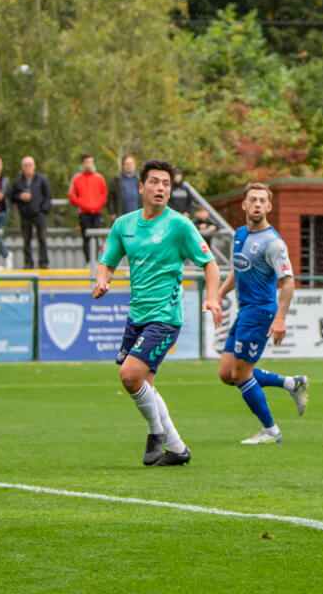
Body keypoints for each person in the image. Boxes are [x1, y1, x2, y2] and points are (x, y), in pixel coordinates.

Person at [93, 159, 222, 467]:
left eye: (166, 183)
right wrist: (102, 279)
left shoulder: (179, 225)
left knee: (129, 375)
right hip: (136, 315)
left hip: (165, 317)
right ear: (142, 187)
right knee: (144, 384)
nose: (161, 188)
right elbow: (107, 261)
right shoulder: (124, 224)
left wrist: (213, 297)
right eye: (155, 182)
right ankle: (177, 448)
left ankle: (155, 432)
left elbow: (210, 264)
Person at [217, 182, 310, 444]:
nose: (257, 204)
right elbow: (237, 269)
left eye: (262, 200)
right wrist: (217, 295)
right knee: (227, 373)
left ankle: (271, 430)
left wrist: (280, 318)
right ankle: (291, 384)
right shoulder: (239, 235)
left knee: (240, 374)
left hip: (260, 312)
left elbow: (288, 281)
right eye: (252, 200)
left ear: (269, 207)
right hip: (244, 311)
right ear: (244, 205)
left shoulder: (273, 243)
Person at [11, 156, 52, 269]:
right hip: (25, 214)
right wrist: (20, 197)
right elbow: (12, 196)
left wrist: (43, 210)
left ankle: (43, 262)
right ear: (22, 167)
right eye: (25, 165)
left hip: (39, 213)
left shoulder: (42, 179)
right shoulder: (18, 181)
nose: (28, 167)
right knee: (26, 240)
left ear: (34, 166)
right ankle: (28, 263)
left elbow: (48, 195)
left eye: (30, 165)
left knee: (42, 238)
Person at [69, 153, 108, 264]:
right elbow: (72, 195)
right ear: (82, 164)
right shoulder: (77, 179)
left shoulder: (99, 178)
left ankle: (97, 260)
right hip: (84, 213)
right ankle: (88, 261)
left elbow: (104, 195)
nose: (89, 164)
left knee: (96, 237)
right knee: (86, 238)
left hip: (97, 212)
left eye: (91, 162)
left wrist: (97, 205)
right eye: (87, 162)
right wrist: (82, 203)